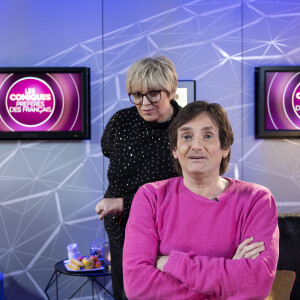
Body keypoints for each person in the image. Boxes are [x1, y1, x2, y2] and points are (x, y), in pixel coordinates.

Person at [123, 101, 279, 300]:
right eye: (186, 136)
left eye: (207, 136)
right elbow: (137, 286)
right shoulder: (150, 197)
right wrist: (230, 279)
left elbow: (255, 285)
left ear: (225, 148)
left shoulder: (256, 200)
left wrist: (172, 263)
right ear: (174, 149)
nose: (196, 145)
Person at [95, 56, 181, 299]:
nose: (144, 103)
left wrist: (124, 203)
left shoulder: (187, 127)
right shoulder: (121, 122)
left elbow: (188, 191)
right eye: (136, 94)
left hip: (168, 232)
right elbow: (108, 151)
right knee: (126, 294)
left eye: (153, 93)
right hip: (122, 230)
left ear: (171, 90)